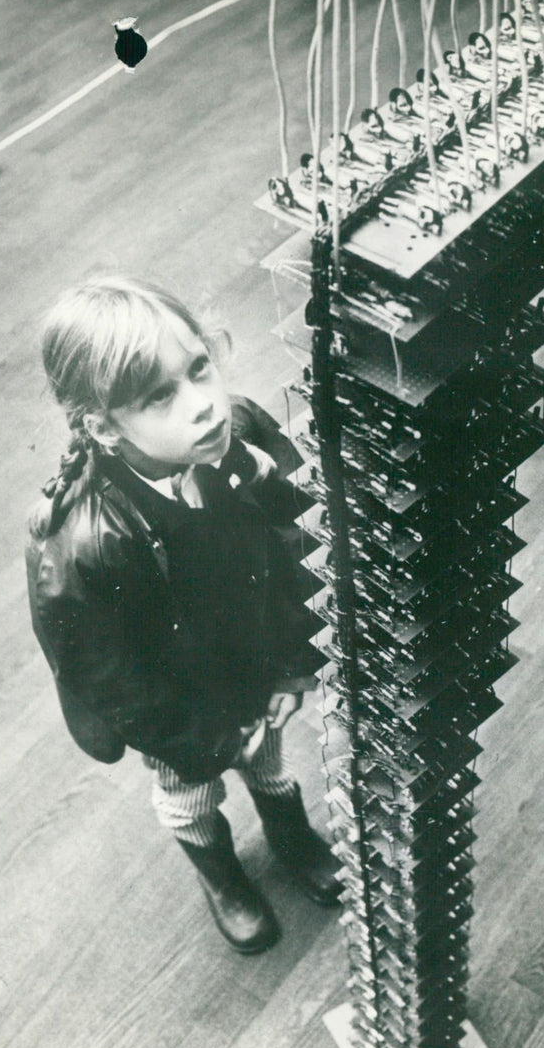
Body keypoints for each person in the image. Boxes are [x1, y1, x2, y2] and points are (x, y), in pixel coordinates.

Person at [25, 274, 341, 955]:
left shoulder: (241, 430)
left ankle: (290, 833)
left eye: (199, 368)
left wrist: (293, 664)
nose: (204, 405)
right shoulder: (83, 540)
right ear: (103, 425)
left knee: (269, 760)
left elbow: (295, 544)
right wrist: (197, 737)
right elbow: (103, 675)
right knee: (191, 795)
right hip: (174, 708)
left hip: (250, 662)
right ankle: (223, 876)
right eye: (160, 396)